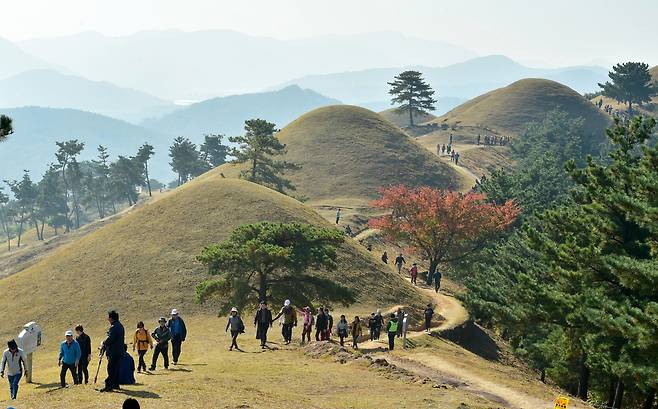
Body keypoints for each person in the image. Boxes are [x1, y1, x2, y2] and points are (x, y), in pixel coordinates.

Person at [100, 310, 125, 392]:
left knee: (111, 368)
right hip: (120, 351)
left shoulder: (113, 327)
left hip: (114, 351)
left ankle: (109, 385)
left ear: (111, 318)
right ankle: (116, 384)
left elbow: (110, 339)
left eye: (108, 317)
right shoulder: (120, 326)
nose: (108, 319)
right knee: (116, 368)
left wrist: (104, 342)